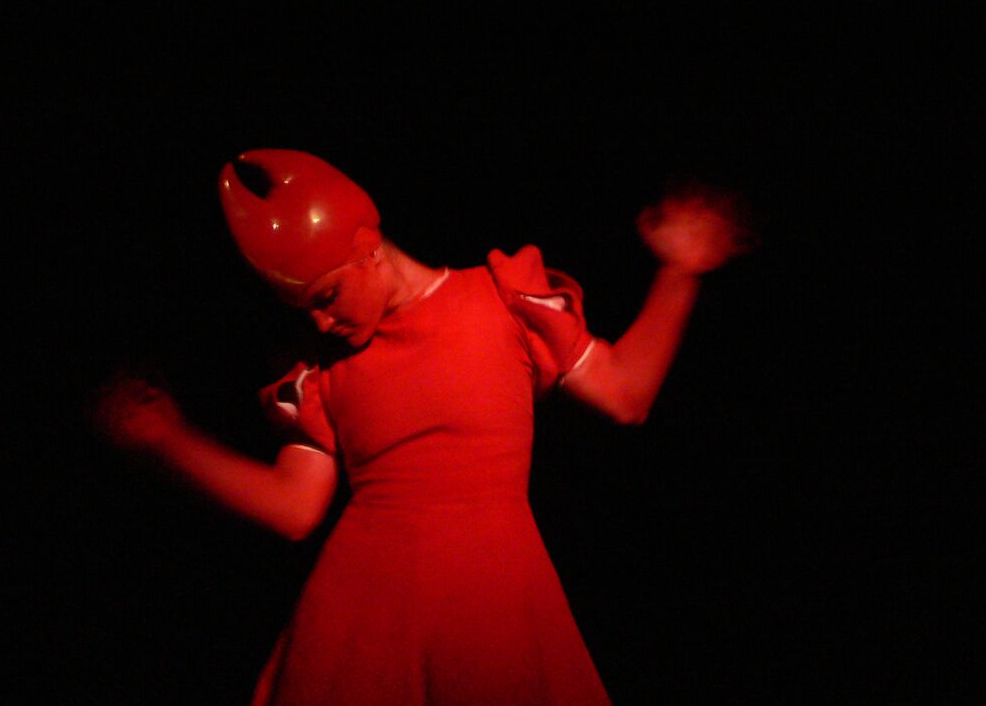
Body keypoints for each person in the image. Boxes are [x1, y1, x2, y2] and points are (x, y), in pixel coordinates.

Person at [96, 149, 750, 705]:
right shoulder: (324, 368)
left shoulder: (502, 299)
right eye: (304, 308)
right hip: (362, 621)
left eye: (326, 296)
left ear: (367, 249)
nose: (320, 322)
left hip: (491, 604)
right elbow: (293, 508)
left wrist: (679, 272)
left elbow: (626, 395)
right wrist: (168, 442)